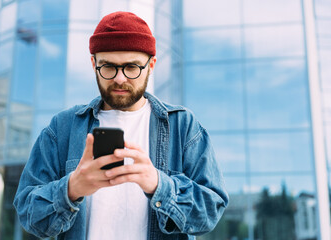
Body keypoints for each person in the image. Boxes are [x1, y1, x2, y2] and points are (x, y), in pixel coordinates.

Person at [13, 11, 228, 240]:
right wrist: (71, 189)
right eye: (108, 67)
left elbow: (211, 210)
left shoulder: (183, 126)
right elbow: (28, 214)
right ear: (93, 63)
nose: (119, 78)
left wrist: (158, 184)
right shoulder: (62, 128)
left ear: (151, 65)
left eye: (132, 67)